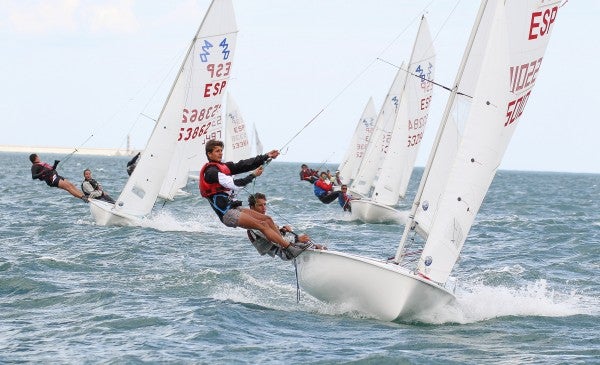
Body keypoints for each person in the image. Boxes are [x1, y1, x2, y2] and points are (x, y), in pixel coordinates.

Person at [200, 140, 314, 257]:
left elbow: (244, 164)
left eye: (221, 151)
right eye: (217, 151)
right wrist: (253, 175)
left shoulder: (223, 167)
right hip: (227, 214)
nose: (220, 153)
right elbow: (235, 184)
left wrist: (266, 156)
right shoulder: (211, 172)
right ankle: (289, 248)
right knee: (262, 225)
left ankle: (287, 246)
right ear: (209, 154)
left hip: (234, 207)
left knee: (268, 219)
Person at [247, 193, 325, 260]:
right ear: (252, 207)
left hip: (288, 247)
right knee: (315, 246)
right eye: (260, 205)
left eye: (265, 204)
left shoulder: (263, 220)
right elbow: (276, 240)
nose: (264, 208)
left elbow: (275, 234)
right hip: (285, 252)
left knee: (318, 246)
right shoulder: (255, 225)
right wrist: (297, 238)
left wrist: (283, 230)